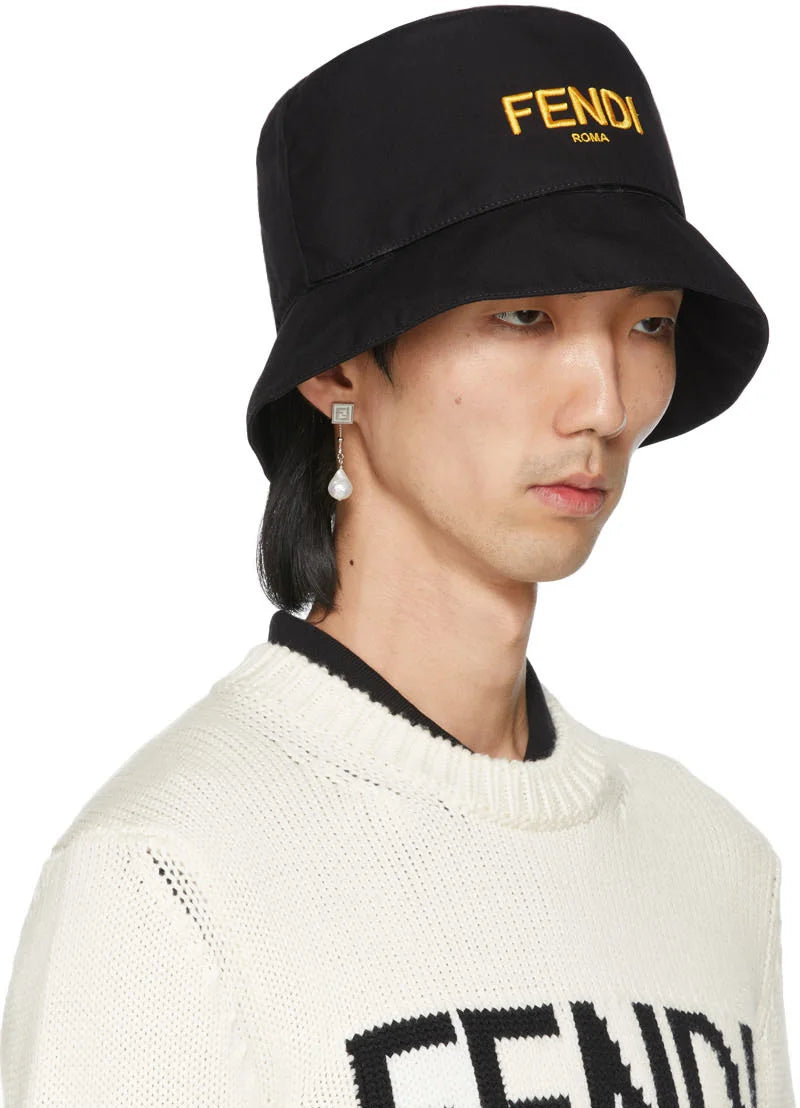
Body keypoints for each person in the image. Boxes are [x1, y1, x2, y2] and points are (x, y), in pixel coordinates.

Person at [2, 6, 794, 1106]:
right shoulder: (167, 878)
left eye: (647, 324)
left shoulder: (715, 864)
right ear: (337, 372)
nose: (606, 404)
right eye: (525, 317)